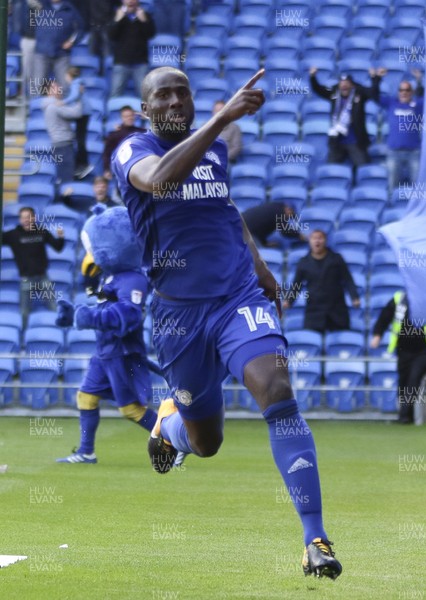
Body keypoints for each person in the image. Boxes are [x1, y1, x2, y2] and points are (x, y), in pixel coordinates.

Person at [112, 66, 342, 580]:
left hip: (236, 296)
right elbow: (158, 179)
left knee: (277, 389)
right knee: (207, 442)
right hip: (178, 316)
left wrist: (260, 269)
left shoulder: (212, 152)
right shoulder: (132, 150)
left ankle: (315, 538)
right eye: (163, 95)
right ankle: (169, 427)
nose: (174, 101)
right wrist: (221, 119)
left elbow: (226, 210)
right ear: (146, 108)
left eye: (182, 92)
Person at [55, 205, 159, 463]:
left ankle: (177, 442)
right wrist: (77, 313)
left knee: (131, 410)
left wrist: (86, 317)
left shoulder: (133, 279)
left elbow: (129, 315)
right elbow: (105, 305)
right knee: (86, 396)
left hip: (122, 352)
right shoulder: (111, 278)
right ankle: (86, 452)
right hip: (105, 351)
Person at [370, 291, 426, 424]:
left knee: (413, 380)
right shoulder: (399, 298)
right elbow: (385, 316)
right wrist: (377, 335)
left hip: (424, 351)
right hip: (403, 350)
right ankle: (408, 415)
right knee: (403, 382)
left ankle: (403, 417)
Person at [283, 230, 360, 332]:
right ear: (310, 241)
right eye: (314, 238)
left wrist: (354, 297)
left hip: (336, 309)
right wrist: (289, 301)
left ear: (325, 241)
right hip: (314, 310)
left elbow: (348, 279)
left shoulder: (336, 259)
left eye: (320, 238)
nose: (317, 241)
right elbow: (297, 284)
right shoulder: (304, 262)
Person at [2, 206, 64, 326]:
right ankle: (23, 340)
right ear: (20, 219)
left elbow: (58, 247)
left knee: (54, 307)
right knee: (24, 312)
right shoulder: (13, 235)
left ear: (34, 218)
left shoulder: (42, 231)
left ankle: (59, 331)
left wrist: (61, 237)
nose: (26, 220)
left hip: (43, 277)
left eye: (28, 217)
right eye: (23, 217)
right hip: (26, 279)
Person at [309, 68, 381, 169]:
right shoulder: (334, 92)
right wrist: (312, 77)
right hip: (337, 141)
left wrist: (375, 78)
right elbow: (318, 89)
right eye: (342, 83)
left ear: (352, 85)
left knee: (363, 169)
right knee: (331, 170)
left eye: (347, 83)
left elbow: (373, 93)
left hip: (355, 141)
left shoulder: (359, 93)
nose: (344, 85)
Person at [376, 69, 424, 193]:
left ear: (412, 92)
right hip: (393, 152)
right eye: (401, 90)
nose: (404, 93)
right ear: (398, 92)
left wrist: (419, 81)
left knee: (417, 186)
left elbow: (425, 97)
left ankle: (416, 211)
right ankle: (392, 208)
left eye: (407, 90)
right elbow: (374, 95)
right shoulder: (391, 103)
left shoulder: (417, 105)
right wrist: (376, 78)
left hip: (413, 152)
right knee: (393, 185)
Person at [33, 0, 85, 94]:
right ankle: (36, 107)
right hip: (42, 52)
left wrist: (72, 41)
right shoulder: (41, 5)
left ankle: (62, 106)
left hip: (62, 54)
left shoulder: (70, 9)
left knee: (64, 85)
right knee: (37, 84)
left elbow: (81, 29)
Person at [107, 0, 156, 98]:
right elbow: (111, 36)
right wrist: (117, 20)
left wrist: (144, 21)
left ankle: (145, 114)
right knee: (115, 95)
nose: (130, 1)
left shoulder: (146, 15)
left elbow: (151, 34)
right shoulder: (116, 14)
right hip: (121, 62)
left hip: (140, 63)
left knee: (144, 96)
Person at [42, 79, 83, 184]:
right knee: (67, 179)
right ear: (48, 91)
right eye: (56, 87)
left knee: (65, 176)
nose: (59, 89)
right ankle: (64, 199)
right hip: (63, 146)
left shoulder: (50, 105)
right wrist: (79, 96)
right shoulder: (54, 106)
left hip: (60, 145)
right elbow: (77, 113)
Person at [62, 66, 93, 179]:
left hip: (83, 113)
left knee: (80, 139)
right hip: (84, 113)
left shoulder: (75, 84)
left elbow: (74, 96)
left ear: (69, 76)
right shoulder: (78, 83)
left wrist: (63, 103)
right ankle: (82, 163)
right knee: (80, 138)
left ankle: (84, 164)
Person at [103, 105, 146, 180]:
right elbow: (107, 153)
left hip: (139, 169)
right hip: (122, 171)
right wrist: (107, 169)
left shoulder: (141, 132)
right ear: (122, 118)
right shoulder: (114, 135)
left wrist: (147, 118)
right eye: (126, 116)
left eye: (131, 115)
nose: (129, 118)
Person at [242, 202, 308, 247]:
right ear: (288, 209)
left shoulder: (275, 207)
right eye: (291, 215)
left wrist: (264, 243)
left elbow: (261, 227)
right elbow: (285, 231)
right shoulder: (279, 212)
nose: (288, 218)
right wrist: (299, 236)